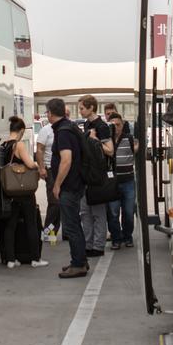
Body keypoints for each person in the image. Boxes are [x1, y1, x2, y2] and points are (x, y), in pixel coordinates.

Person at [47, 97, 88, 278]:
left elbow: (66, 160)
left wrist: (57, 185)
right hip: (76, 183)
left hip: (69, 186)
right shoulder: (69, 127)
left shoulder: (63, 132)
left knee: (71, 226)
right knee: (75, 225)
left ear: (49, 113)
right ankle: (80, 261)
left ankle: (78, 264)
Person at [1, 116, 48, 269]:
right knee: (30, 224)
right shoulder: (19, 145)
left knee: (10, 226)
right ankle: (35, 258)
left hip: (10, 191)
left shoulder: (3, 145)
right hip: (24, 192)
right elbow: (28, 164)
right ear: (21, 131)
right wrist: (37, 165)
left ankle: (10, 259)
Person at [77, 95, 113, 258]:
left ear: (91, 107)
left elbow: (110, 150)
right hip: (86, 174)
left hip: (98, 175)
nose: (80, 111)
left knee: (98, 213)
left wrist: (95, 139)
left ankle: (98, 246)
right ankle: (88, 244)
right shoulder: (86, 124)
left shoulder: (102, 126)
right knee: (85, 213)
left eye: (82, 108)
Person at [106, 112, 138, 249]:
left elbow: (137, 149)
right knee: (113, 213)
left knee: (129, 212)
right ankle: (116, 238)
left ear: (123, 125)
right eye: (112, 125)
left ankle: (127, 236)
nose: (116, 128)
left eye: (118, 125)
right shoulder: (106, 142)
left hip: (128, 182)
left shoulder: (129, 139)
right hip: (112, 183)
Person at [36, 120, 60, 236]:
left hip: (64, 170)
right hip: (50, 169)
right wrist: (41, 168)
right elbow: (39, 149)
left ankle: (55, 231)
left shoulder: (66, 128)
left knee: (61, 202)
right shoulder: (46, 130)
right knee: (54, 201)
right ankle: (48, 232)